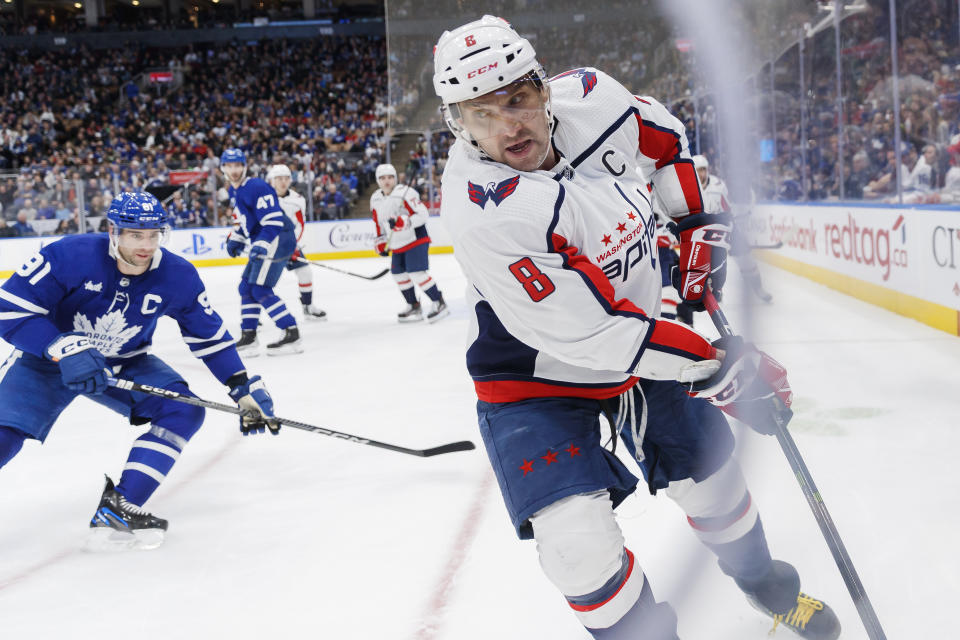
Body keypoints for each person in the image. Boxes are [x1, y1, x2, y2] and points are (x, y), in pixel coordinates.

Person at [432, 16, 838, 640]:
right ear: (459, 125)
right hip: (536, 377)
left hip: (646, 340)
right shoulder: (483, 210)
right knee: (576, 548)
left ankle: (769, 589)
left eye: (518, 98)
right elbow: (597, 335)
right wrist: (720, 367)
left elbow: (666, 145)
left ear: (543, 87)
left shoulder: (594, 98)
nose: (509, 125)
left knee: (716, 487)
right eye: (483, 114)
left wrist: (694, 221)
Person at [0, 192, 277, 550]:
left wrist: (242, 387)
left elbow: (209, 337)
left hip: (124, 361)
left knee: (183, 408)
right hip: (47, 360)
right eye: (135, 235)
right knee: (5, 435)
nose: (146, 245)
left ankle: (119, 508)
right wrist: (62, 347)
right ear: (113, 230)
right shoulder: (70, 254)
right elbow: (9, 308)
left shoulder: (178, 276)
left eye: (153, 235)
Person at [220, 148, 303, 356]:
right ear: (223, 168)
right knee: (246, 287)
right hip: (266, 238)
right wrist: (237, 238)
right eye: (229, 166)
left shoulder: (256, 187)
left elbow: (273, 221)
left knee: (260, 290)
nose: (234, 170)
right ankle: (249, 336)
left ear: (244, 166)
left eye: (237, 165)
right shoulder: (235, 190)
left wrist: (262, 243)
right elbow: (247, 221)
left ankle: (291, 333)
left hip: (277, 238)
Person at [370, 163, 448, 323]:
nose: (387, 181)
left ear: (395, 178)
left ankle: (439, 302)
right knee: (398, 274)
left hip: (415, 239)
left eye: (390, 177)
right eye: (383, 178)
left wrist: (404, 222)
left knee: (417, 273)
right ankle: (414, 305)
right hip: (397, 243)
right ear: (378, 180)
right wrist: (381, 241)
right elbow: (378, 223)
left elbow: (423, 214)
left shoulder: (405, 193)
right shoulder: (375, 199)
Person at [693, 154, 772, 303]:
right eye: (697, 170)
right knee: (710, 265)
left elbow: (726, 208)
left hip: (725, 227)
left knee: (746, 259)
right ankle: (715, 292)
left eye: (702, 170)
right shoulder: (688, 187)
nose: (700, 174)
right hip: (703, 231)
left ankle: (759, 289)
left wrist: (729, 222)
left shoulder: (718, 185)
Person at [265, 163, 327, 321]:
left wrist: (290, 245)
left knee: (305, 272)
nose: (283, 181)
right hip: (269, 247)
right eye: (279, 178)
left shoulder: (297, 200)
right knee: (261, 281)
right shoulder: (264, 198)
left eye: (286, 178)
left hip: (290, 245)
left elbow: (300, 225)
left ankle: (308, 307)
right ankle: (254, 315)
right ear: (272, 180)